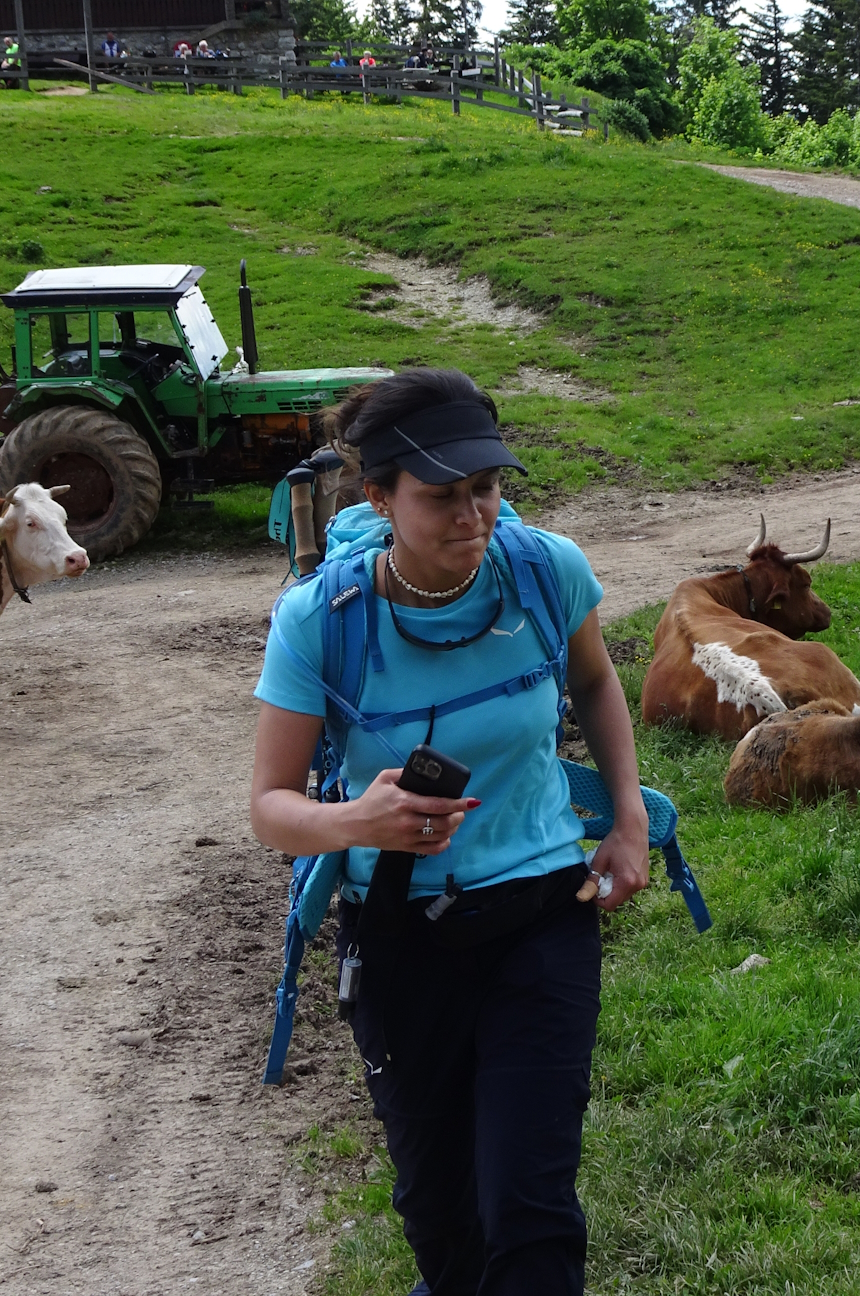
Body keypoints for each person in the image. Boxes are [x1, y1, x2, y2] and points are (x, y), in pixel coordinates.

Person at [250, 368, 650, 1295]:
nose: (472, 516)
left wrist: (626, 818)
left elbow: (591, 681)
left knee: (530, 1207)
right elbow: (270, 806)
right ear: (381, 497)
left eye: (486, 488)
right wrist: (360, 819)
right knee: (442, 1221)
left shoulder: (547, 571)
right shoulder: (322, 622)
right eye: (441, 496)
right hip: (400, 941)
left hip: (543, 917)